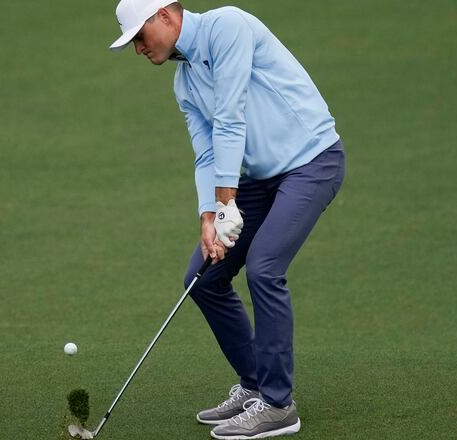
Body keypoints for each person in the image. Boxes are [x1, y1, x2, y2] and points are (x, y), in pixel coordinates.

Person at [109, 1, 345, 438]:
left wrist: (226, 204)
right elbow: (206, 153)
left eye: (140, 36)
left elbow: (231, 118)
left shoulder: (227, 27)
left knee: (264, 268)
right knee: (203, 278)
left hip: (312, 163)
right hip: (260, 178)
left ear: (165, 15)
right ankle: (254, 384)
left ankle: (278, 405)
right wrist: (208, 216)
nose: (139, 48)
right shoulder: (184, 83)